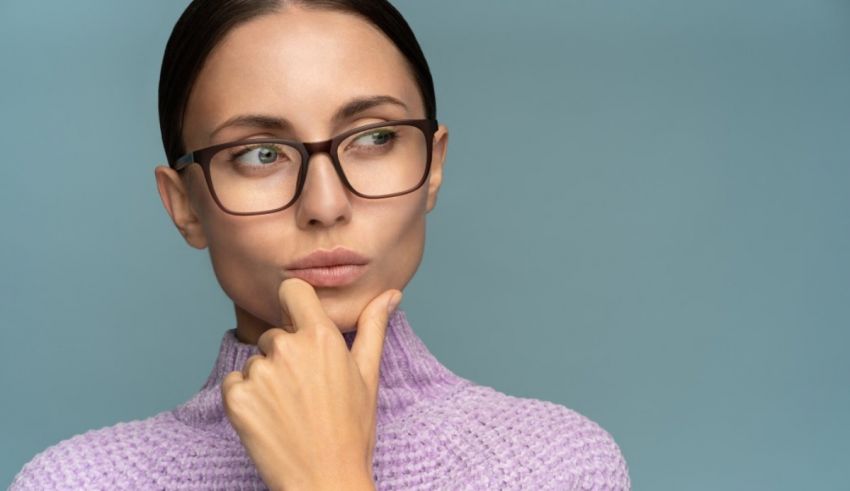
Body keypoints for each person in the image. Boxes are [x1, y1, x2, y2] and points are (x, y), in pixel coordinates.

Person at [10, 0, 630, 489]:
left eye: (375, 137)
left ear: (433, 166)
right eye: (258, 154)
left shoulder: (555, 466)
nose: (326, 205)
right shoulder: (74, 482)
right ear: (185, 206)